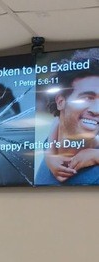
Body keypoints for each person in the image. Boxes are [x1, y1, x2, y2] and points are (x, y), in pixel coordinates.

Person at [35, 51, 99, 185]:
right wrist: (50, 151)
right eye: (88, 97)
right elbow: (59, 120)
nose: (97, 110)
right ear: (60, 102)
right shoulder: (53, 145)